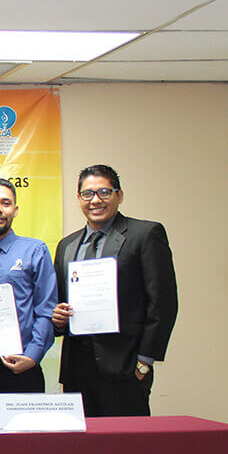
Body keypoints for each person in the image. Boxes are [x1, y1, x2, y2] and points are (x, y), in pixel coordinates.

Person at [51, 165, 178, 416]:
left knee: (127, 450)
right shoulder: (67, 245)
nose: (95, 200)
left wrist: (145, 361)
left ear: (119, 195)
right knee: (83, 450)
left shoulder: (145, 235)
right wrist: (58, 319)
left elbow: (163, 303)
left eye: (104, 192)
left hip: (126, 366)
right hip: (77, 369)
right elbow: (60, 304)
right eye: (87, 194)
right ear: (79, 199)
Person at [0, 178, 57, 393]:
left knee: (24, 427)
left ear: (15, 210)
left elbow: (46, 309)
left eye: (5, 203)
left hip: (21, 367)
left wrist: (33, 355)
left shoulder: (35, 250)